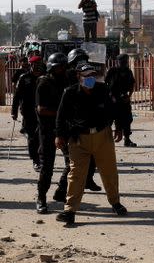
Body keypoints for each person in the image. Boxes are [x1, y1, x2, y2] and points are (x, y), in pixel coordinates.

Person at [54, 63, 128, 227]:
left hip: (103, 135)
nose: (90, 79)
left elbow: (116, 110)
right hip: (79, 138)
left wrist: (120, 128)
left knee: (109, 171)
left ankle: (115, 203)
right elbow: (61, 116)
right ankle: (70, 211)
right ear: (78, 77)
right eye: (86, 76)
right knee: (76, 175)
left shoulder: (103, 90)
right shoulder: (70, 93)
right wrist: (59, 135)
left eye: (92, 75)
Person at [35, 52, 70, 214]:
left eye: (64, 66)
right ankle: (41, 198)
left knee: (73, 163)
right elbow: (41, 110)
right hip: (48, 129)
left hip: (64, 128)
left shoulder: (67, 81)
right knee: (47, 167)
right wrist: (61, 113)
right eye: (59, 67)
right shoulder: (44, 83)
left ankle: (61, 191)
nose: (62, 69)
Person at [66, 48, 102, 192]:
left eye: (83, 59)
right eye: (78, 60)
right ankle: (63, 191)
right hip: (73, 121)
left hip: (89, 120)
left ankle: (88, 180)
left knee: (92, 155)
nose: (82, 62)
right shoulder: (68, 76)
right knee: (72, 162)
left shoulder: (90, 74)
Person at [12, 55, 44, 171]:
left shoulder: (45, 77)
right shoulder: (24, 78)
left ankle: (41, 159)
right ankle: (35, 160)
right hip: (28, 112)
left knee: (42, 137)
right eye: (35, 65)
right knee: (32, 137)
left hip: (43, 112)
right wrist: (14, 112)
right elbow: (16, 96)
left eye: (39, 65)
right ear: (31, 65)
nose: (37, 67)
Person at [105, 53, 137, 147]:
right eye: (121, 61)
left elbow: (132, 85)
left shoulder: (128, 72)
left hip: (124, 99)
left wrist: (129, 96)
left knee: (127, 119)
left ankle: (127, 139)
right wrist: (111, 96)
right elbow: (106, 84)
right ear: (117, 62)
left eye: (125, 62)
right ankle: (105, 140)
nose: (123, 63)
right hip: (112, 99)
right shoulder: (112, 71)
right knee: (109, 121)